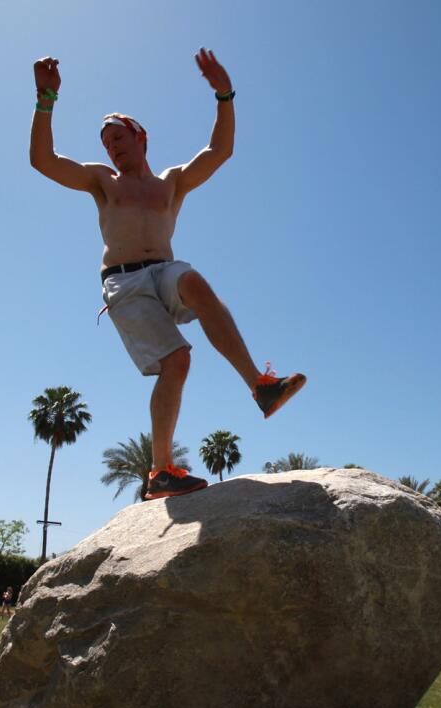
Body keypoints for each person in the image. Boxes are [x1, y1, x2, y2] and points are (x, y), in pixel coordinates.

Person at [28, 51, 305, 500]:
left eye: (118, 138)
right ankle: (161, 472)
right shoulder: (103, 181)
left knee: (193, 280)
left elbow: (221, 151)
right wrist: (46, 99)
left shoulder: (171, 182)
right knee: (177, 362)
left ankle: (261, 387)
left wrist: (224, 93)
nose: (111, 147)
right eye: (106, 143)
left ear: (140, 138)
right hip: (123, 282)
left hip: (162, 271)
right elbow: (44, 160)